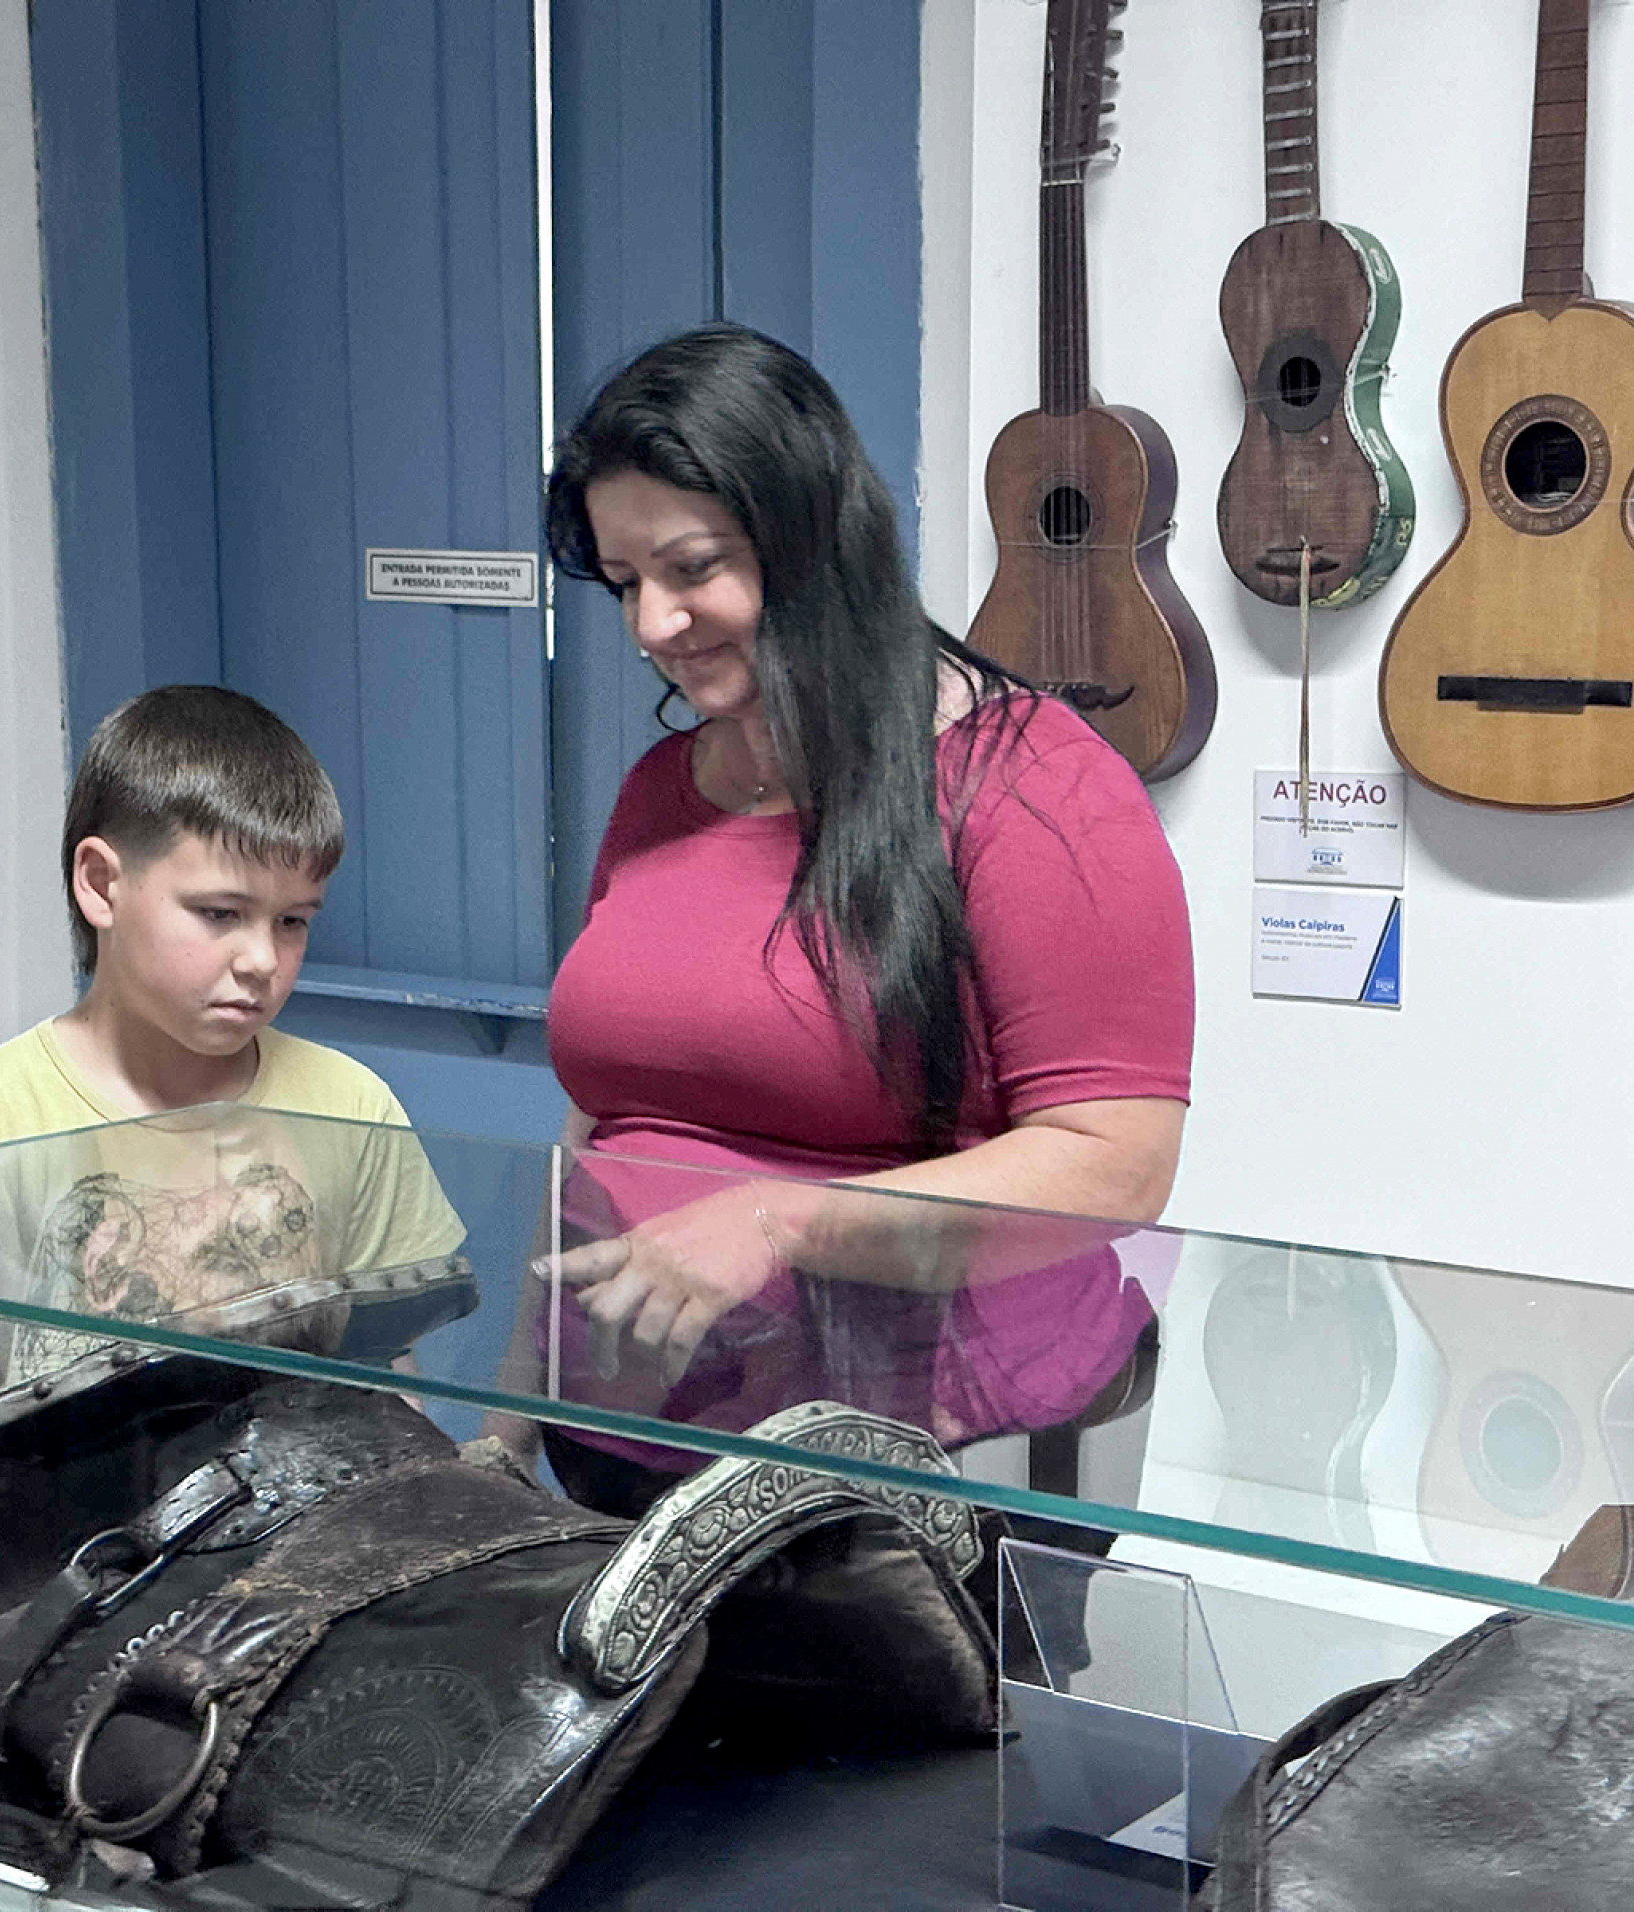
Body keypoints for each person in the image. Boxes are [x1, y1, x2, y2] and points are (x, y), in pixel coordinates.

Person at [498, 323, 1193, 1511]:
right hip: (628, 1441)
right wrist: (513, 1418)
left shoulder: (1035, 783)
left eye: (691, 567)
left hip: (908, 1474)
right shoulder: (666, 788)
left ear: (811, 536)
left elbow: (1114, 1168)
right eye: (625, 585)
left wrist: (777, 1222)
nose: (652, 624)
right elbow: (598, 1125)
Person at [0, 685, 464, 1512]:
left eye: (293, 922)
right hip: (59, 1584)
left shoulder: (354, 1105)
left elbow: (389, 1395)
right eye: (220, 913)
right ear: (100, 884)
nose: (261, 961)